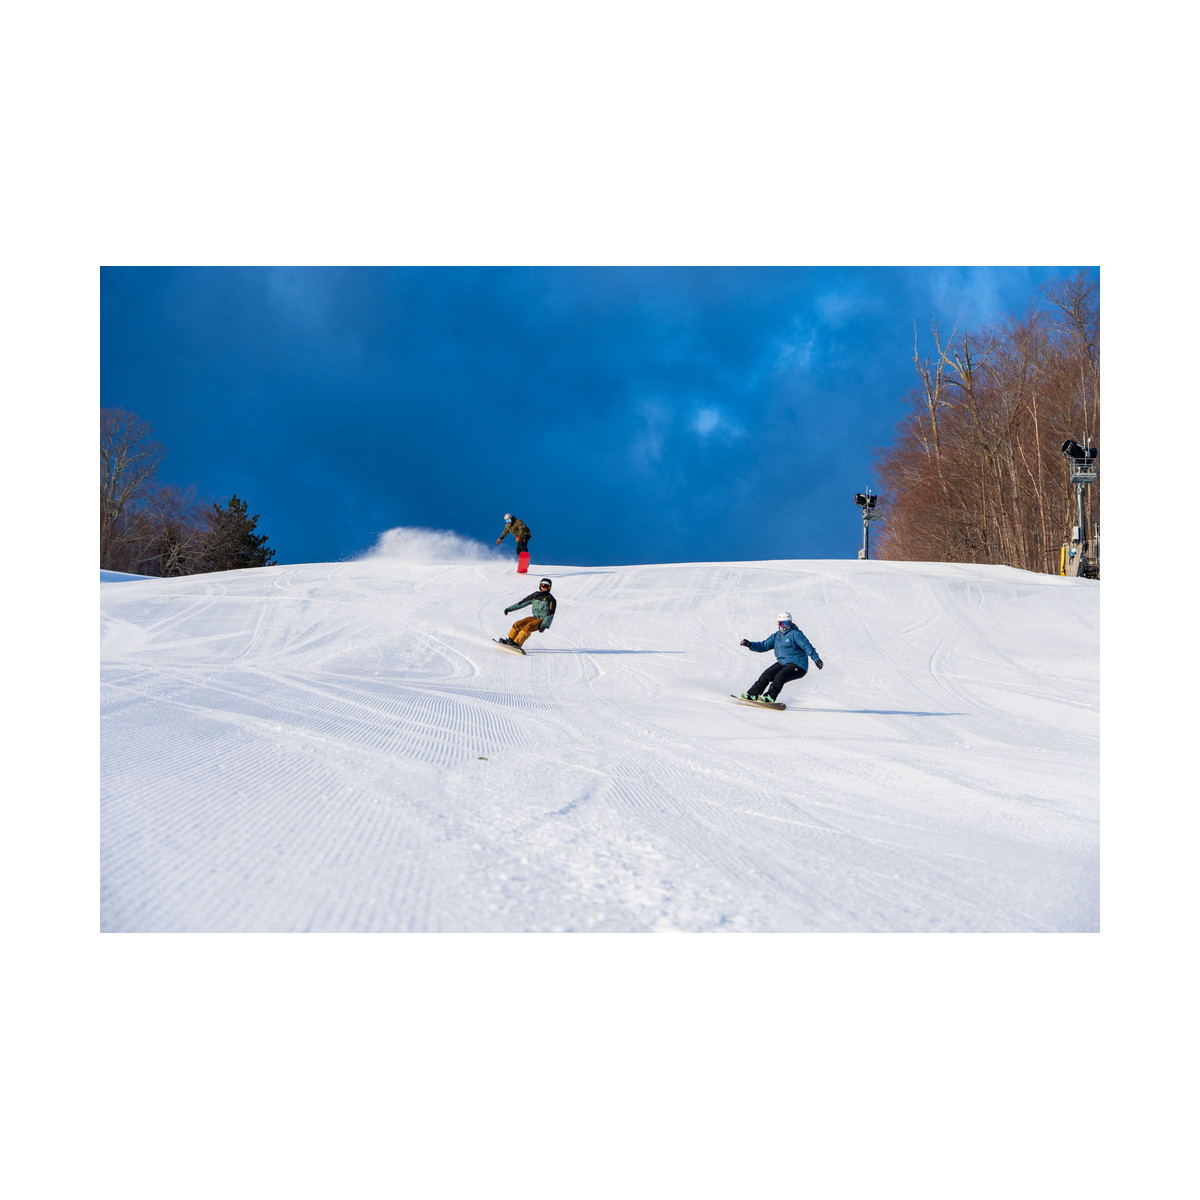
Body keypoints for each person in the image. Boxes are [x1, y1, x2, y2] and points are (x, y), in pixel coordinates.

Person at [739, 611, 823, 703]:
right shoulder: (776, 636)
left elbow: (807, 646)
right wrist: (750, 645)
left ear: (790, 623)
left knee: (780, 676)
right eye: (781, 623)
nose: (783, 626)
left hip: (798, 665)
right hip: (784, 663)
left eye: (786, 623)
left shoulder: (796, 634)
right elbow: (763, 646)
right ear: (778, 624)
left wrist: (816, 659)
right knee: (766, 675)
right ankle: (753, 695)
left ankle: (770, 697)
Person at [498, 578, 557, 652]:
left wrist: (544, 625)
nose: (545, 588)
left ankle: (517, 644)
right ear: (540, 586)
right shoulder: (535, 595)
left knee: (528, 627)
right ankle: (510, 640)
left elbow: (550, 614)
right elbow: (522, 603)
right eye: (543, 586)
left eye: (547, 587)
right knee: (518, 624)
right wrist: (509, 609)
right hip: (534, 617)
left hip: (542, 620)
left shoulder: (551, 600)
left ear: (550, 588)